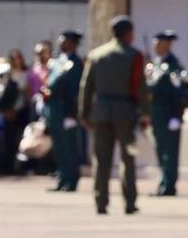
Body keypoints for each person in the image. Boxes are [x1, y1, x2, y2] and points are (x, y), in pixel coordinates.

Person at [80, 16, 145, 215]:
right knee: (129, 158)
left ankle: (101, 201)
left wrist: (84, 113)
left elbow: (86, 87)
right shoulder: (134, 55)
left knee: (101, 159)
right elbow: (140, 86)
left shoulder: (96, 55)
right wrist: (145, 113)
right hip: (126, 113)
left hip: (101, 112)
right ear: (129, 33)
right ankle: (130, 201)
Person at [145, 31, 188, 197]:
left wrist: (176, 116)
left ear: (167, 45)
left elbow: (179, 92)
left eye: (158, 43)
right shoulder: (156, 63)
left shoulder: (173, 65)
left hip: (169, 114)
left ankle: (169, 185)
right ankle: (163, 182)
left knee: (170, 152)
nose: (155, 46)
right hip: (157, 114)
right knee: (160, 149)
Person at [44, 29, 85, 192]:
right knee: (59, 147)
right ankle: (62, 178)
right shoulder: (57, 61)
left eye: (64, 40)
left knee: (70, 148)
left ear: (73, 43)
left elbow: (75, 92)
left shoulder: (75, 63)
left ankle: (71, 181)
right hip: (54, 109)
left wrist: (71, 114)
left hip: (66, 110)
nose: (60, 42)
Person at [0, 53, 27, 176]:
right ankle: (0, 165)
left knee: (10, 142)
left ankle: (10, 166)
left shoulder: (13, 85)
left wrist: (10, 111)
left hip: (11, 117)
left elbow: (15, 100)